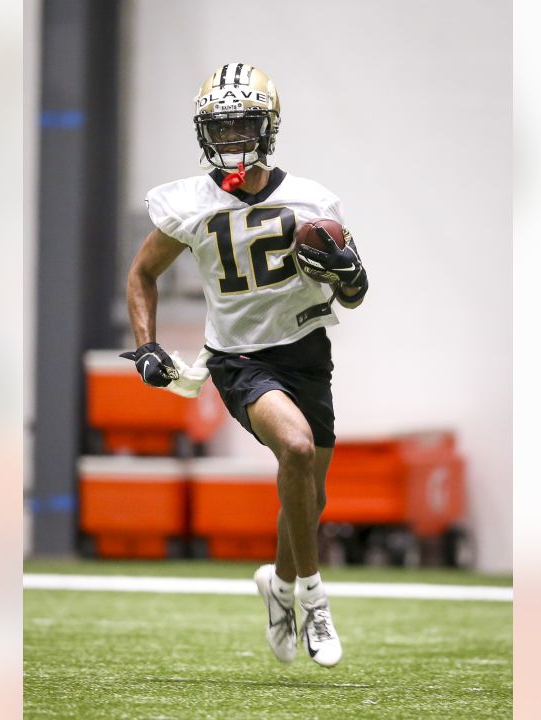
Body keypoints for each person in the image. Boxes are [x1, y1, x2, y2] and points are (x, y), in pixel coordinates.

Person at [120, 63, 369, 668]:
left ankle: (278, 586)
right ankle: (313, 601)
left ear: (269, 127)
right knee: (299, 451)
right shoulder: (189, 202)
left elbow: (355, 295)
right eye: (220, 129)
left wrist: (349, 274)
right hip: (239, 358)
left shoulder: (311, 199)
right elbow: (142, 274)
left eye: (243, 127)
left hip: (307, 354)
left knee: (311, 499)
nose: (231, 141)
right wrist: (148, 344)